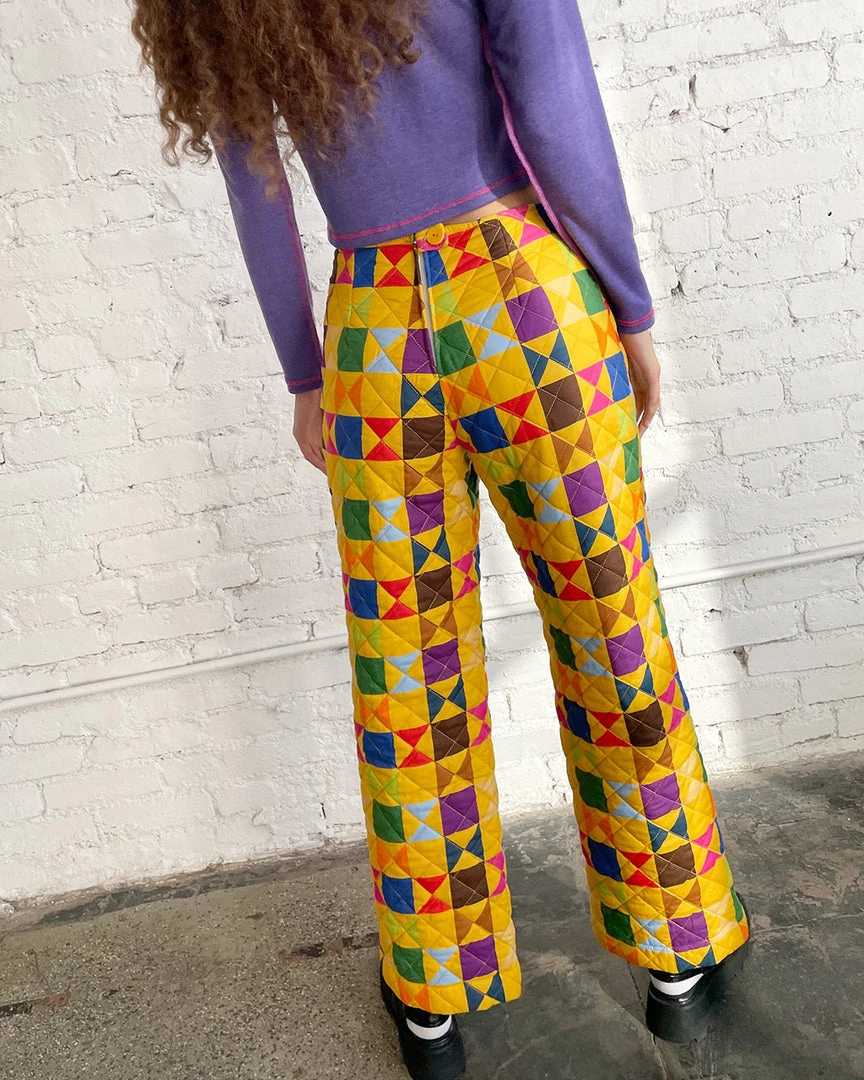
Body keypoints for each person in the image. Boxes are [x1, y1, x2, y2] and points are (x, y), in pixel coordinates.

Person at [130, 1, 752, 1076]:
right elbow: (551, 101)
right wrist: (630, 306)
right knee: (611, 620)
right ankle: (680, 957)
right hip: (525, 304)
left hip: (374, 335)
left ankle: (431, 1005)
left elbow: (254, 184)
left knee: (407, 670)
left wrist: (307, 373)